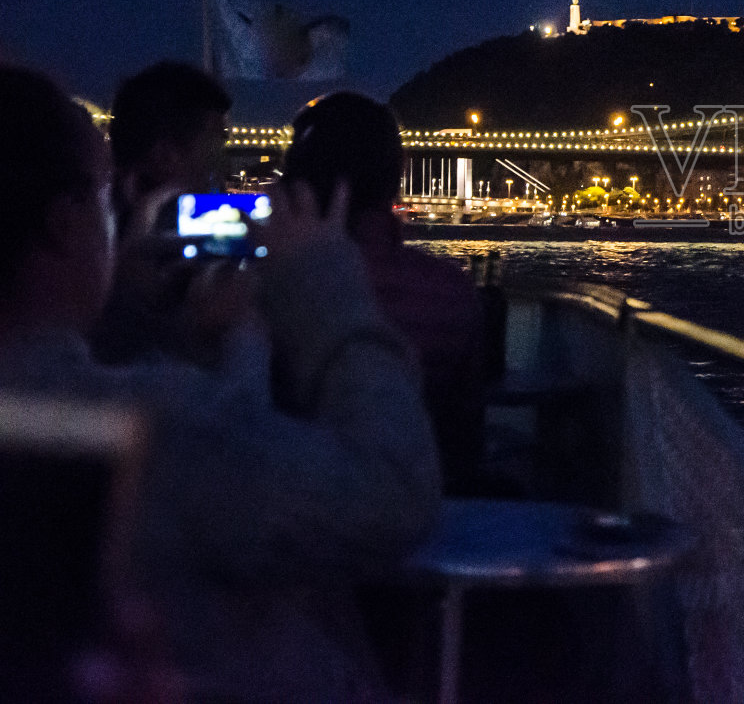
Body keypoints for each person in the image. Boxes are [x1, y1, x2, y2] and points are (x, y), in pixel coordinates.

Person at [0, 65, 440, 702]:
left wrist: (153, 317)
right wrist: (325, 286)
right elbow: (394, 494)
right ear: (67, 222)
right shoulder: (147, 429)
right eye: (106, 200)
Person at [281, 91, 487, 492]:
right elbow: (468, 430)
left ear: (297, 183)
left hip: (293, 513)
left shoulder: (262, 291)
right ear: (399, 172)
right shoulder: (452, 292)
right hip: (432, 501)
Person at [94, 63, 233, 366]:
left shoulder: (90, 235)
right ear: (165, 155)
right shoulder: (131, 259)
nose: (225, 162)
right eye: (218, 141)